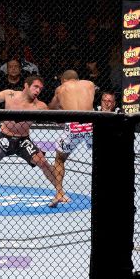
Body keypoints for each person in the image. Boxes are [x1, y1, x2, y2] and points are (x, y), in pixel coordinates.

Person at [47, 69, 97, 207]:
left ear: (63, 80)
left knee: (59, 159)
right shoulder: (90, 84)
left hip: (73, 126)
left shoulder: (61, 89)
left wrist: (62, 107)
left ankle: (59, 193)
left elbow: (51, 107)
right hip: (91, 124)